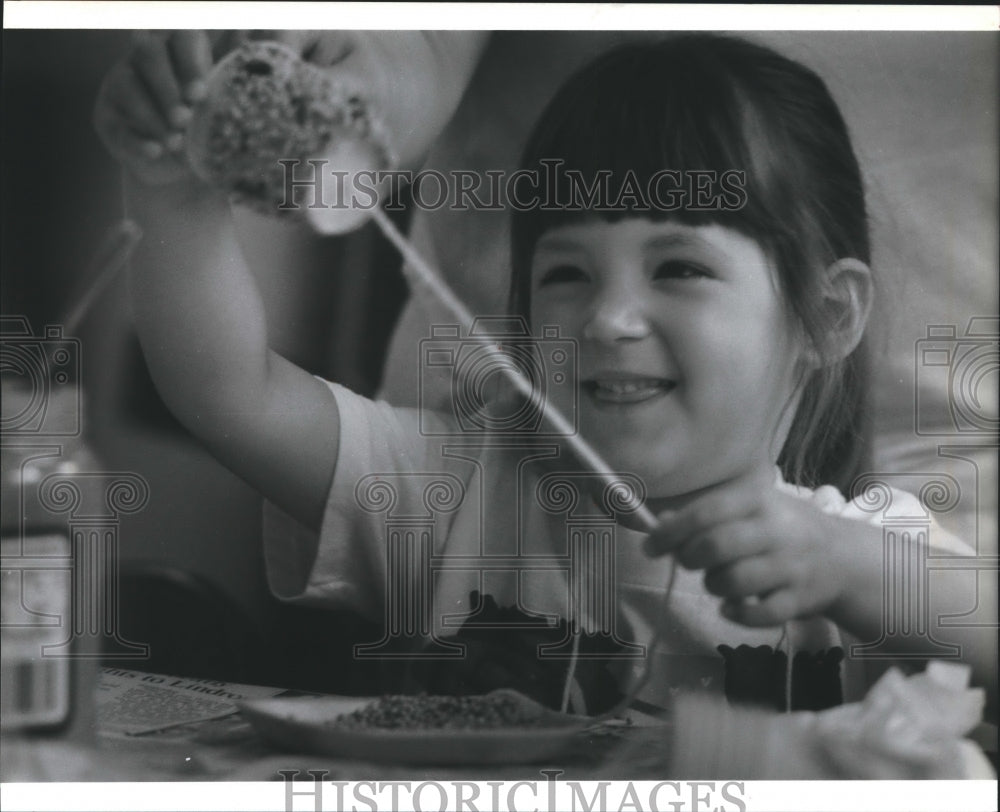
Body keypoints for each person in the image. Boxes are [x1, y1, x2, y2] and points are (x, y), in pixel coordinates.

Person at [94, 32, 993, 717]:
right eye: (566, 274)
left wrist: (851, 568)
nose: (607, 318)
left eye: (678, 268)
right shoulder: (449, 492)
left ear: (827, 317)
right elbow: (222, 389)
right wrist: (172, 187)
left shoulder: (862, 550)